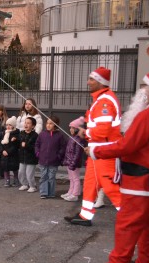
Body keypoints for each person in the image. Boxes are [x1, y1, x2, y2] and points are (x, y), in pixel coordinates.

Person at [86, 77, 149, 263]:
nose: (142, 91)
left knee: (127, 223)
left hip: (139, 177)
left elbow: (127, 146)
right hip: (145, 177)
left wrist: (96, 151)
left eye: (145, 87)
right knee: (146, 223)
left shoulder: (146, 116)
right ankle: (145, 261)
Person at [65, 67, 122, 226]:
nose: (88, 82)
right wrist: (88, 135)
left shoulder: (105, 101)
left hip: (105, 152)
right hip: (98, 151)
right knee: (91, 183)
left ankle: (130, 218)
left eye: (91, 79)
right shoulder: (102, 99)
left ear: (100, 82)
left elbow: (104, 130)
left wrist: (86, 133)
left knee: (110, 186)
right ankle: (85, 215)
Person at [35, 116, 66, 199]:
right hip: (43, 160)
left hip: (54, 161)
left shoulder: (60, 136)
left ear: (55, 125)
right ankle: (44, 193)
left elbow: (63, 147)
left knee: (51, 177)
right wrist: (38, 153)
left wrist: (58, 156)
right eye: (47, 123)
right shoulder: (42, 134)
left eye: (51, 123)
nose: (48, 125)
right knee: (44, 176)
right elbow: (37, 144)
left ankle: (51, 193)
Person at [61, 117, 86, 202]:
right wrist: (66, 160)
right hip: (69, 162)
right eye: (70, 128)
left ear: (78, 129)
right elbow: (68, 151)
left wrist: (73, 163)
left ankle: (75, 194)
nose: (71, 129)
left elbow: (77, 154)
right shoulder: (71, 138)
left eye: (73, 128)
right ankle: (70, 192)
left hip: (74, 163)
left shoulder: (79, 140)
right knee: (71, 178)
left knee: (75, 178)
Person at [17, 117, 39, 192]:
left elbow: (35, 147)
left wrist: (26, 145)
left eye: (28, 123)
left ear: (33, 126)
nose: (26, 124)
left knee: (29, 174)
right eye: (25, 122)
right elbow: (19, 143)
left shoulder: (35, 135)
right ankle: (24, 184)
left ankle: (33, 186)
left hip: (31, 158)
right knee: (21, 172)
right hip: (22, 157)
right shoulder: (21, 133)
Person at [0, 116, 20, 186]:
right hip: (4, 154)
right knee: (6, 168)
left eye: (10, 125)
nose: (8, 126)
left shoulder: (16, 134)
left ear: (13, 126)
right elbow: (1, 143)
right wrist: (2, 151)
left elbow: (15, 146)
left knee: (14, 167)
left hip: (12, 155)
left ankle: (16, 179)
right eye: (7, 125)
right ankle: (7, 180)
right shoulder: (5, 133)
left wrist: (8, 152)